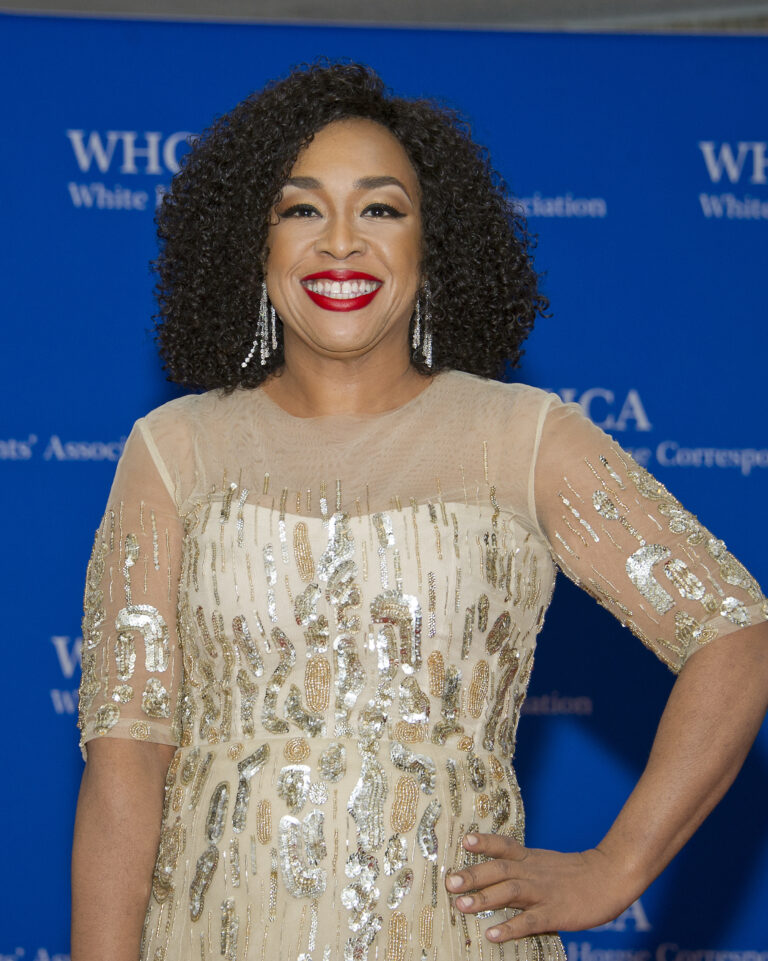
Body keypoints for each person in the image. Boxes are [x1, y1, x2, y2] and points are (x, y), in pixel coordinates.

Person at [71, 61, 768, 961]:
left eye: (382, 208)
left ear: (431, 244)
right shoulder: (172, 451)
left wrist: (618, 863)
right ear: (256, 243)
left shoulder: (519, 437)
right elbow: (125, 760)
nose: (340, 242)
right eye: (301, 209)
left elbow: (736, 632)